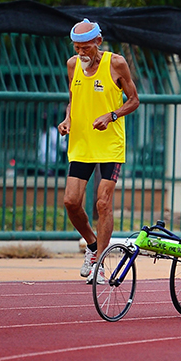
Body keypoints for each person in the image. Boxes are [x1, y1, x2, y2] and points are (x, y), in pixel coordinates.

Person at [58, 18, 140, 284]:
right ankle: (92, 245)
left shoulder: (116, 63)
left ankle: (101, 263)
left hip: (109, 145)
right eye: (77, 48)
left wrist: (112, 115)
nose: (81, 53)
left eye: (86, 47)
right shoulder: (72, 65)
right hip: (81, 144)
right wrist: (68, 118)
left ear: (98, 42)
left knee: (103, 202)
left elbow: (134, 100)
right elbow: (73, 99)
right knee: (71, 202)